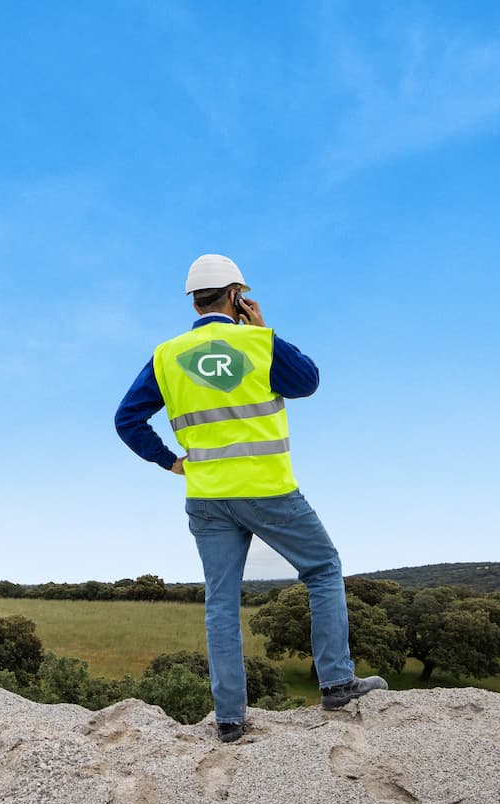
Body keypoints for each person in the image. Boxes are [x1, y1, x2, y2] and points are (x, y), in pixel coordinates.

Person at [114, 253, 386, 743]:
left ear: (194, 300)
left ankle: (230, 719)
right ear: (236, 296)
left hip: (207, 496)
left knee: (221, 602)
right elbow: (307, 382)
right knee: (323, 570)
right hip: (267, 490)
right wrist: (265, 330)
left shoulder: (166, 355)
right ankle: (337, 682)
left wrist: (170, 461)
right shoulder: (258, 342)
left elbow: (126, 420)